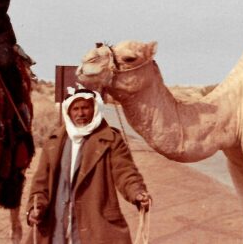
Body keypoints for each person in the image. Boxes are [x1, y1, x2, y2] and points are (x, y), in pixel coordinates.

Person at [25, 87, 151, 244]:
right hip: (57, 223)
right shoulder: (54, 142)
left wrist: (137, 193)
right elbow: (40, 182)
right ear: (68, 112)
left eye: (85, 108)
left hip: (96, 223)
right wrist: (35, 207)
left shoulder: (111, 139)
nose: (80, 114)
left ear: (94, 109)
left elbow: (125, 172)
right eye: (75, 109)